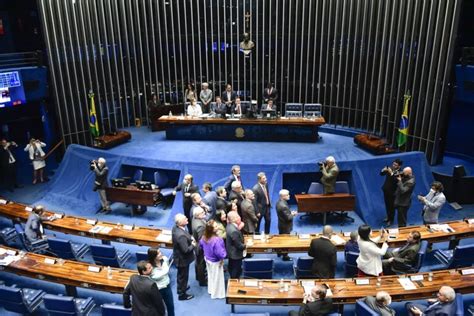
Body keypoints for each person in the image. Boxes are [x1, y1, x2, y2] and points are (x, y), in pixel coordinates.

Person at [199, 220, 227, 299]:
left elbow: (201, 245)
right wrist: (223, 257)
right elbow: (220, 253)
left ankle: (211, 290)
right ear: (211, 229)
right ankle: (217, 294)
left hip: (207, 259)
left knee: (211, 276)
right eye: (215, 226)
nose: (217, 227)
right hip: (215, 261)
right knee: (217, 278)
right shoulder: (217, 240)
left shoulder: (204, 236)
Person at [171, 214, 195, 300]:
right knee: (183, 276)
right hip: (182, 260)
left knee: (181, 276)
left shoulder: (176, 227)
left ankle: (182, 288)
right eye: (185, 219)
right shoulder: (181, 235)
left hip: (179, 257)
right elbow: (186, 250)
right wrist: (193, 244)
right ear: (180, 223)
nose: (187, 218)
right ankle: (182, 294)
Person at [147, 248, 174, 316]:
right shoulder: (149, 266)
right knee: (159, 308)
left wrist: (164, 271)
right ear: (153, 256)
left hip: (167, 286)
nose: (161, 254)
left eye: (160, 252)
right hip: (157, 290)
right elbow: (155, 276)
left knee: (170, 306)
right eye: (158, 254)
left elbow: (165, 270)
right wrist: (164, 271)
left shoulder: (165, 259)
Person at [380, 159, 403, 226]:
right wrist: (383, 170)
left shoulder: (401, 172)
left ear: (399, 166)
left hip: (393, 193)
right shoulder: (390, 169)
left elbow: (396, 180)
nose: (393, 166)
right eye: (393, 164)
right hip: (386, 190)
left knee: (392, 207)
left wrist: (391, 173)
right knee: (387, 205)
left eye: (395, 165)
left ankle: (391, 220)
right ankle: (388, 217)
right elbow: (381, 174)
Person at [276, 189, 298, 261]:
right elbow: (288, 218)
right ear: (283, 196)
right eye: (287, 195)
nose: (289, 196)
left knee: (281, 239)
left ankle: (279, 252)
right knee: (285, 241)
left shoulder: (279, 202)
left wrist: (290, 212)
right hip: (285, 226)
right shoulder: (283, 206)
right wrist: (293, 214)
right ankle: (285, 256)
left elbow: (285, 214)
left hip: (281, 224)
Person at [226, 211, 247, 278]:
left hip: (231, 252)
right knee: (235, 271)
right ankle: (234, 284)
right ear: (234, 219)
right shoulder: (234, 231)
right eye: (238, 216)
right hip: (235, 255)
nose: (240, 217)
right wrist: (247, 245)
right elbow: (239, 246)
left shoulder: (229, 225)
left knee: (232, 267)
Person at [191, 206, 208, 287]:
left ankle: (198, 277)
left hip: (196, 244)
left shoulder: (194, 219)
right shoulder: (201, 226)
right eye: (202, 212)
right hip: (200, 247)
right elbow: (202, 240)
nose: (204, 212)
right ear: (197, 215)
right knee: (201, 263)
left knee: (198, 262)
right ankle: (202, 281)